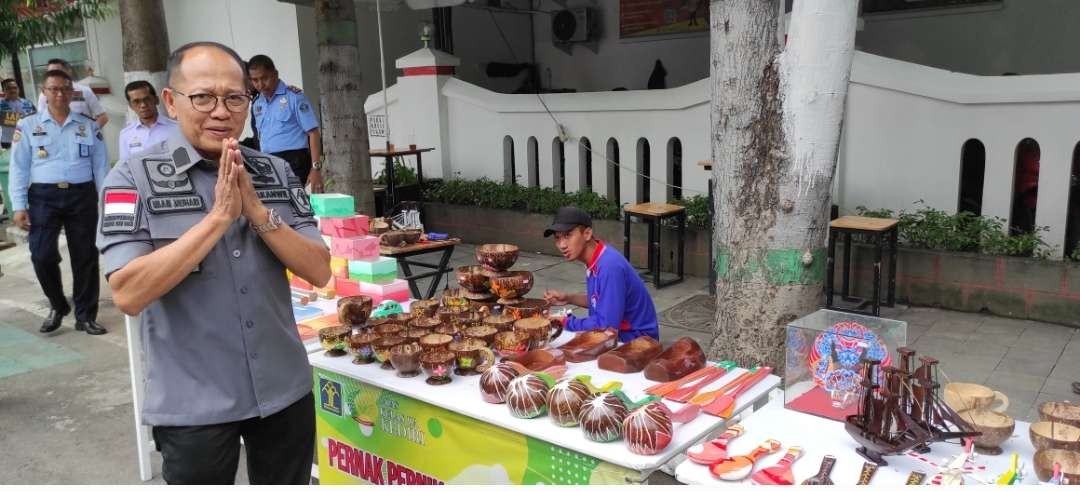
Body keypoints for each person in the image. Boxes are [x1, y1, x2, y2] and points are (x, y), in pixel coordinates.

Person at [96, 41, 330, 485]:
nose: (220, 112)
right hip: (194, 403)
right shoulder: (131, 180)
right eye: (203, 97)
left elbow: (319, 269)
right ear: (171, 101)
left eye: (234, 98)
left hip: (283, 389)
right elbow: (128, 292)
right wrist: (219, 217)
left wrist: (259, 215)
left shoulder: (276, 173)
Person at [9, 69, 108, 335]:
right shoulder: (28, 126)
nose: (60, 94)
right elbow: (18, 168)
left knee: (85, 256)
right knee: (41, 254)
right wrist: (18, 206)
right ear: (44, 92)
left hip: (82, 195)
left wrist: (104, 200)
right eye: (54, 89)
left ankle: (86, 315)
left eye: (65, 89)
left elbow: (100, 166)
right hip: (43, 197)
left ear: (72, 92)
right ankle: (58, 304)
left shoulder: (87, 125)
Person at [542, 206, 659, 343]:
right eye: (557, 238)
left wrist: (564, 322)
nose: (562, 245)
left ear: (587, 233)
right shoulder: (598, 257)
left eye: (568, 235)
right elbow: (602, 302)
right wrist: (569, 298)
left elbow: (606, 326)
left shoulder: (609, 266)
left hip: (636, 342)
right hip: (621, 335)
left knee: (559, 344)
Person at [247, 55, 323, 192]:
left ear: (275, 74)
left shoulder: (294, 97)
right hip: (267, 164)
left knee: (299, 208)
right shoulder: (257, 104)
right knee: (276, 209)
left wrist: (316, 168)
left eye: (265, 78)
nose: (260, 84)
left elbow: (314, 133)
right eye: (255, 80)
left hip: (295, 162)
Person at [36, 59, 108, 129]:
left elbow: (103, 117)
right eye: (51, 73)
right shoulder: (44, 95)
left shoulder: (84, 91)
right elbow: (41, 118)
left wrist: (90, 132)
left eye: (58, 72)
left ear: (69, 72)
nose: (55, 76)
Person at [117, 80, 177, 162]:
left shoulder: (177, 129)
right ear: (130, 106)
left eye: (147, 99)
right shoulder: (126, 135)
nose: (143, 105)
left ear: (156, 100)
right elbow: (125, 166)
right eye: (136, 101)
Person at [1, 78, 36, 149]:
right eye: (9, 88)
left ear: (18, 88)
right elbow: (2, 119)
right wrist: (25, 119)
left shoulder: (28, 103)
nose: (13, 90)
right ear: (3, 91)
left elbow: (35, 119)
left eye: (15, 87)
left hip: (27, 139)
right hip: (8, 141)